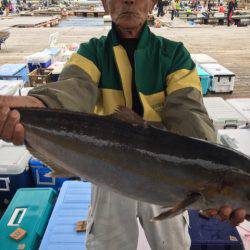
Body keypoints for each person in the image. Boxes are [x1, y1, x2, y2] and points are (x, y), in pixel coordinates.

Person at [0, 0, 246, 249]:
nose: (129, 0)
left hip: (171, 181)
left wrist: (207, 185)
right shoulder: (92, 52)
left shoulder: (174, 55)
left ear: (152, 4)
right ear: (106, 4)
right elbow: (72, 89)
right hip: (108, 171)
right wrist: (35, 104)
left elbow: (188, 110)